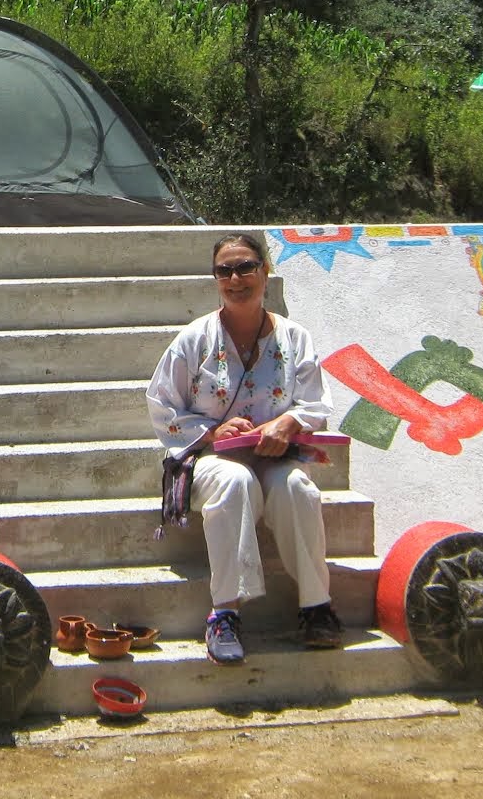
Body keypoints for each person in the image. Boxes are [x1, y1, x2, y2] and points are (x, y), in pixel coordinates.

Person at [145, 233, 342, 665]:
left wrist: (287, 423)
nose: (236, 278)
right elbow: (162, 407)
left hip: (275, 457)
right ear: (216, 278)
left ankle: (316, 606)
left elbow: (316, 403)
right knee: (233, 481)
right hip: (211, 460)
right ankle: (225, 613)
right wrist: (215, 432)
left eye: (246, 267)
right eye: (225, 270)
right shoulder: (194, 339)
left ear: (264, 270)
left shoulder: (295, 338)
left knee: (298, 490)